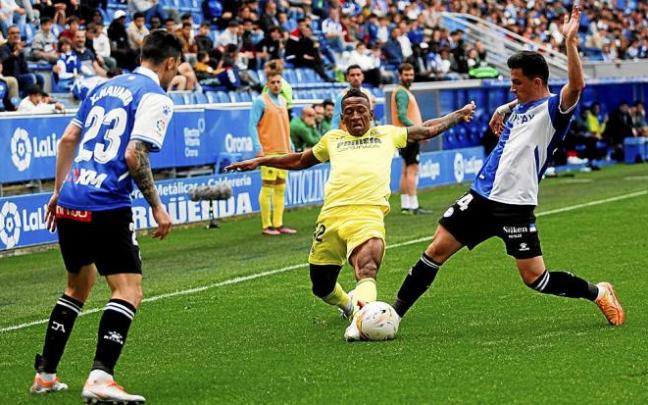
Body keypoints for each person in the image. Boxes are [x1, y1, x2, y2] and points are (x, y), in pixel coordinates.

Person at [390, 6, 625, 331]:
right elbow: (518, 102)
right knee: (435, 251)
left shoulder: (554, 110)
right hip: (480, 196)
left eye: (517, 82)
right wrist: (504, 107)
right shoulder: (519, 106)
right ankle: (392, 316)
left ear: (537, 81)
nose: (511, 87)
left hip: (516, 206)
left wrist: (570, 42)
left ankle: (599, 292)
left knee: (536, 279)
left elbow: (576, 86)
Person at [227, 88, 475, 339]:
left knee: (367, 266)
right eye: (349, 112)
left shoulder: (387, 134)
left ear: (371, 113)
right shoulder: (333, 139)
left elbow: (427, 129)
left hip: (368, 214)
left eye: (360, 110)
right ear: (343, 118)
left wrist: (458, 114)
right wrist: (261, 161)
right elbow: (300, 160)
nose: (355, 115)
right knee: (321, 286)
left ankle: (360, 323)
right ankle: (347, 305)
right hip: (331, 217)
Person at [29, 30, 182, 403]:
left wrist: (57, 192)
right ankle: (101, 376)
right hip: (106, 202)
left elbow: (67, 140)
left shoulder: (104, 87)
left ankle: (45, 375)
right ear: (170, 63)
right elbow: (134, 155)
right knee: (128, 290)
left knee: (77, 287)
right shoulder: (155, 97)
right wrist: (157, 206)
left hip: (71, 198)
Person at [249, 69, 297, 236]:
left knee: (280, 188)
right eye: (273, 82)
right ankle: (266, 225)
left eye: (279, 82)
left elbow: (285, 125)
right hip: (269, 151)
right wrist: (258, 147)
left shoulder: (283, 101)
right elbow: (252, 125)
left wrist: (289, 143)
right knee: (268, 188)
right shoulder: (260, 102)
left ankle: (278, 223)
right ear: (267, 84)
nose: (276, 85)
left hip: (283, 150)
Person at [392, 62, 430, 215]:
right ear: (400, 75)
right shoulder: (402, 92)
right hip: (409, 136)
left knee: (406, 170)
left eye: (411, 74)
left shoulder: (400, 91)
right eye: (406, 74)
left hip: (403, 135)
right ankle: (413, 206)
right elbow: (402, 115)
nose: (409, 77)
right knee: (412, 169)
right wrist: (418, 130)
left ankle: (406, 205)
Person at [331, 65, 374, 130]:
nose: (356, 78)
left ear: (363, 76)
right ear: (347, 78)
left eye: (358, 74)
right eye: (352, 75)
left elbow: (370, 118)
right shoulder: (342, 96)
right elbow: (336, 120)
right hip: (348, 134)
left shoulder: (368, 93)